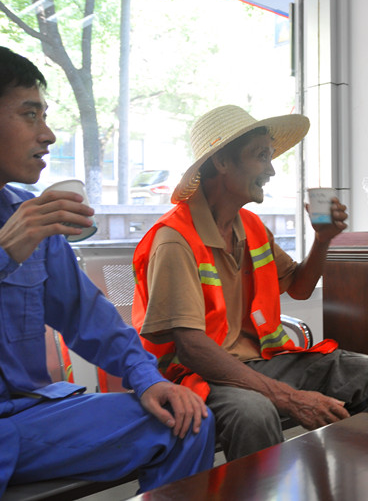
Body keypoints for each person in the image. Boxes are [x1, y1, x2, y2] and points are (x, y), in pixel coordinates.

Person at [0, 47, 215, 497]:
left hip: (27, 416)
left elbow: (87, 316)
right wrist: (4, 253)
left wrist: (149, 379)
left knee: (186, 421)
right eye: (30, 114)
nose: (48, 135)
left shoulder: (32, 216)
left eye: (45, 116)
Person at [133, 105, 368, 461]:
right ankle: (269, 486)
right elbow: (192, 349)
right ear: (221, 162)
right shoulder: (174, 239)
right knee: (254, 413)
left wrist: (323, 240)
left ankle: (358, 477)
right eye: (261, 156)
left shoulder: (252, 226)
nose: (271, 170)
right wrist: (288, 397)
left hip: (261, 359)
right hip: (193, 375)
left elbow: (299, 288)